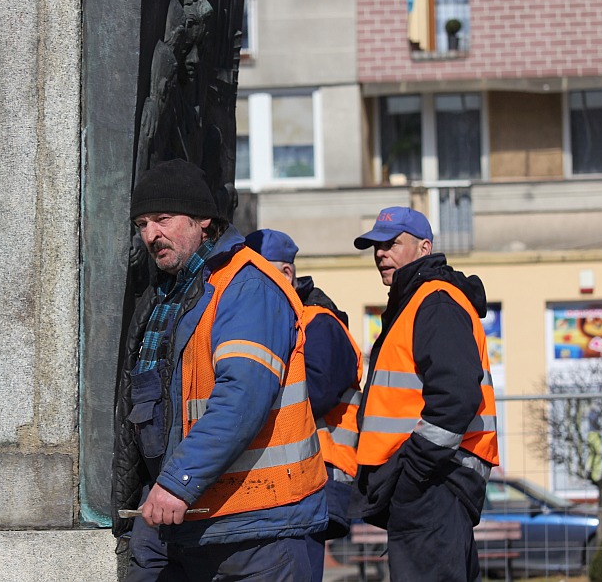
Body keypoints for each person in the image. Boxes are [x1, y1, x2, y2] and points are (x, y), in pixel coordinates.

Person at [111, 159, 328, 581]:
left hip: (262, 527)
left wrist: (177, 481)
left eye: (163, 219)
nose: (151, 235)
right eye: (142, 223)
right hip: (191, 521)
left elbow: (241, 397)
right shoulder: (172, 293)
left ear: (203, 221)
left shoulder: (246, 287)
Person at [348, 206, 499, 582]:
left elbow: (455, 396)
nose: (381, 253)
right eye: (375, 247)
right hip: (433, 484)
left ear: (424, 247)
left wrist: (412, 472)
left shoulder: (434, 301)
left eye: (392, 243)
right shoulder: (419, 301)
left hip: (434, 483)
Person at [245, 228, 363, 582]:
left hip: (315, 478)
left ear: (286, 274)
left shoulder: (318, 322)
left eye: (255, 274)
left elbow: (316, 393)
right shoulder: (284, 321)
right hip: (295, 478)